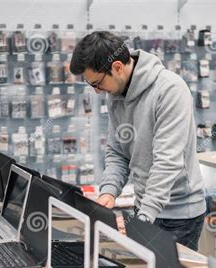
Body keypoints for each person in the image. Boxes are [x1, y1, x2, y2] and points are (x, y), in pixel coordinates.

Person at [70, 31, 206, 251]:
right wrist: (109, 192)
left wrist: (143, 219)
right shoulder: (115, 93)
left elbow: (167, 162)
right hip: (145, 208)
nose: (96, 92)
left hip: (179, 215)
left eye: (97, 83)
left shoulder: (169, 90)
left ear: (116, 67)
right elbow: (117, 152)